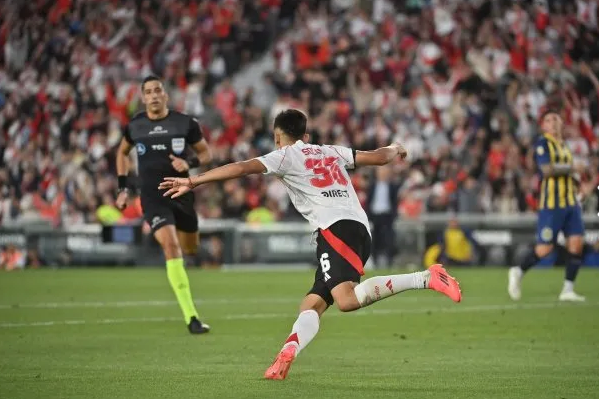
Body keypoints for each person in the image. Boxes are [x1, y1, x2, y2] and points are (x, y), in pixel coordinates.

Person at [159, 109, 461, 379]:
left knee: (346, 300)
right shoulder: (330, 151)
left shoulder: (284, 155)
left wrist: (193, 181)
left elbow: (240, 168)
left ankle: (426, 277)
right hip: (358, 227)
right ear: (306, 135)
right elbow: (380, 157)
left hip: (333, 230)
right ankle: (285, 354)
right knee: (313, 303)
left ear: (279, 137)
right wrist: (396, 148)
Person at [115, 76, 213, 334]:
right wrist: (123, 188)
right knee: (171, 246)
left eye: (158, 90)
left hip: (181, 194)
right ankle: (191, 318)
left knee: (190, 247)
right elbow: (121, 153)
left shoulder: (185, 123)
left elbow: (206, 154)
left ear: (165, 95)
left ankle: (186, 258)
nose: (154, 95)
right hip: (152, 197)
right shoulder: (135, 126)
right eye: (148, 92)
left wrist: (189, 163)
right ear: (143, 97)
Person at [508, 111, 586, 302]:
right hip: (552, 205)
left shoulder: (564, 145)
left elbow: (568, 174)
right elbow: (547, 170)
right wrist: (573, 168)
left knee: (576, 244)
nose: (554, 122)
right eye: (549, 120)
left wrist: (577, 182)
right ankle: (518, 271)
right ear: (544, 126)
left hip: (570, 202)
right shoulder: (543, 143)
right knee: (545, 249)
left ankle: (567, 290)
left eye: (556, 118)